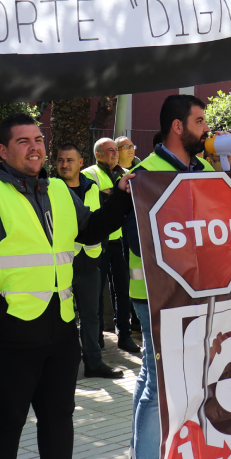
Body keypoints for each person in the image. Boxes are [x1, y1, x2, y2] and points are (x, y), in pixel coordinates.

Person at [0, 113, 131, 459]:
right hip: (8, 334)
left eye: (38, 139)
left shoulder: (59, 190)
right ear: (2, 151)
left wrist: (121, 200)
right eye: (23, 141)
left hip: (61, 330)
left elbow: (89, 231)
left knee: (58, 420)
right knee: (6, 423)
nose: (35, 147)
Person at [118, 95, 217, 459]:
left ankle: (142, 456)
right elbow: (135, 241)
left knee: (150, 376)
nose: (206, 128)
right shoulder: (147, 173)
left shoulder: (203, 167)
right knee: (159, 385)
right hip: (155, 296)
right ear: (178, 127)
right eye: (199, 121)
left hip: (187, 294)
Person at [54, 143, 127, 377]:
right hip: (62, 263)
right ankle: (61, 365)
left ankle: (94, 364)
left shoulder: (91, 187)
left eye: (70, 160)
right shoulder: (50, 189)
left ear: (80, 163)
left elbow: (100, 220)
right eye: (61, 160)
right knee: (61, 317)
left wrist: (102, 248)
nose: (64, 165)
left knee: (91, 315)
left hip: (90, 261)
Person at [83, 138, 141, 353]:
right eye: (110, 151)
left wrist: (114, 194)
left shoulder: (121, 172)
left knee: (122, 289)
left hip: (119, 240)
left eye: (115, 150)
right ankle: (97, 339)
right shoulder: (90, 174)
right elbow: (100, 201)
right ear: (98, 155)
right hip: (100, 241)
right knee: (97, 292)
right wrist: (116, 195)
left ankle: (124, 336)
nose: (115, 153)